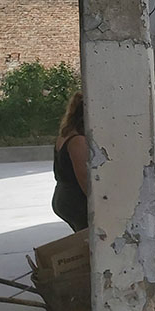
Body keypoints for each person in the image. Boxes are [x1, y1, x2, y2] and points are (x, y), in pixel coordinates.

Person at [52, 91, 89, 231]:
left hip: (64, 195)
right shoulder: (78, 141)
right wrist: (100, 204)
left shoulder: (65, 135)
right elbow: (84, 178)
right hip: (75, 199)